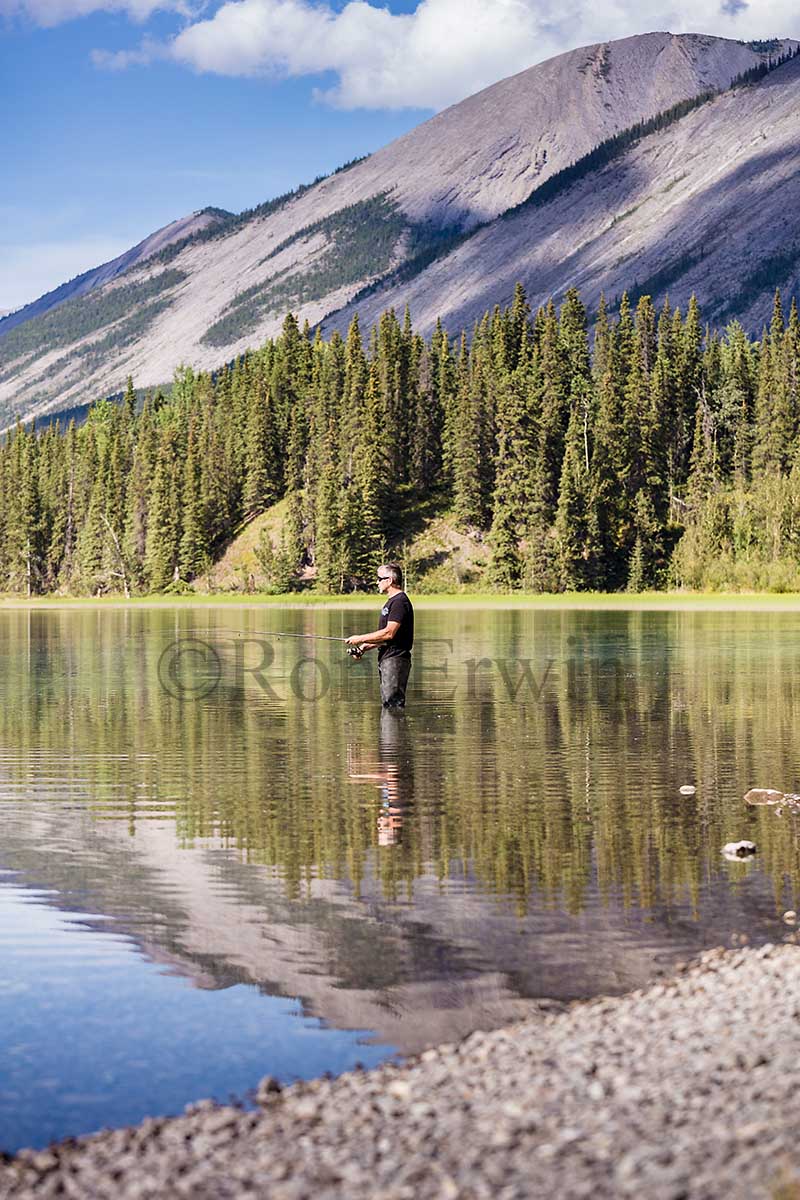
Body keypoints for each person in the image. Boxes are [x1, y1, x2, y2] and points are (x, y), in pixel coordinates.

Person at [346, 563, 414, 708]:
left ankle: (395, 731)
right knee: (389, 706)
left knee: (393, 706)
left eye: (379, 578)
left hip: (395, 660)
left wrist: (360, 638)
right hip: (388, 660)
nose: (376, 582)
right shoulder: (392, 602)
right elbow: (388, 638)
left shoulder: (399, 602)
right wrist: (364, 647)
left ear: (389, 580)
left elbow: (389, 633)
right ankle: (392, 731)